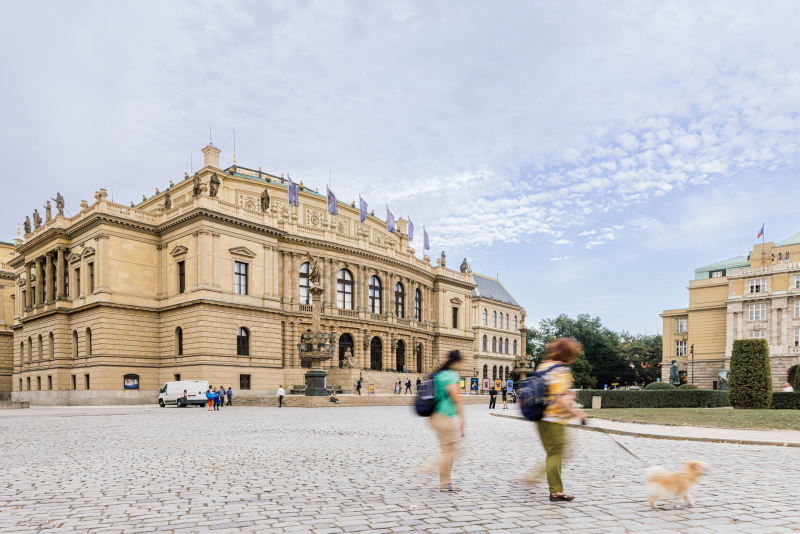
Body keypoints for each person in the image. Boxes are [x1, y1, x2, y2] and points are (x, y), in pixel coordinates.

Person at [530, 337, 588, 502]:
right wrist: (578, 413)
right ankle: (541, 481)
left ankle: (555, 489)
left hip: (539, 416)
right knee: (558, 454)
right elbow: (560, 397)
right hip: (554, 418)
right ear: (568, 354)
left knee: (553, 453)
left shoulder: (543, 366)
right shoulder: (561, 370)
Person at [428, 350, 466, 492]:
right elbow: (456, 398)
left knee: (448, 449)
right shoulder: (451, 376)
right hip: (444, 416)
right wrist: (462, 420)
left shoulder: (440, 374)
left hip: (435, 416)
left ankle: (446, 482)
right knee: (452, 450)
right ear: (457, 362)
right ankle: (429, 467)